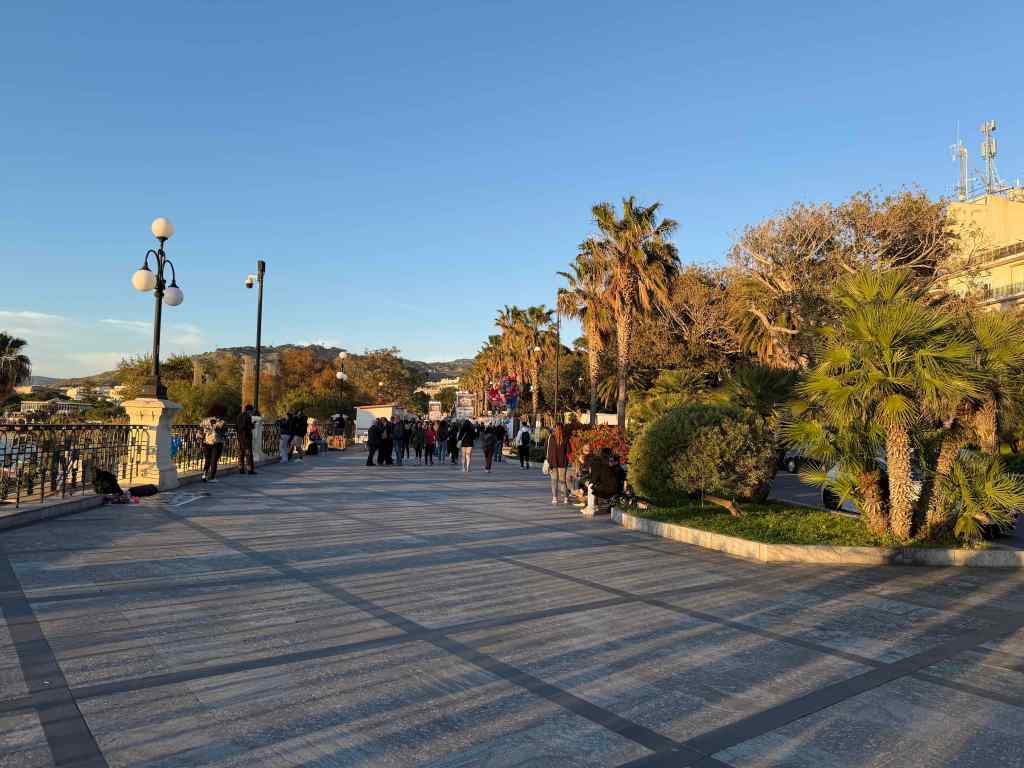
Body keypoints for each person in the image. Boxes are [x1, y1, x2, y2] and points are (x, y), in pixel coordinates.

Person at [589, 447, 619, 515]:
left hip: (607, 489)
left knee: (591, 486)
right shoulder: (614, 464)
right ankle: (596, 505)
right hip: (616, 488)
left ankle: (591, 507)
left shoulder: (601, 464)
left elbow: (595, 479)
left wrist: (590, 482)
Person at [200, 407, 227, 482]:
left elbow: (200, 431)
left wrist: (202, 439)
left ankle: (204, 475)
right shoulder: (222, 422)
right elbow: (223, 433)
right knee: (214, 460)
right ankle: (212, 477)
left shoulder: (205, 420)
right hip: (217, 442)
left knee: (207, 459)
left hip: (206, 442)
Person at [546, 424, 570, 504]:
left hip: (553, 462)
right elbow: (568, 451)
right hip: (563, 462)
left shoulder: (551, 438)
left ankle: (554, 498)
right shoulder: (566, 438)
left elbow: (546, 449)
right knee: (563, 481)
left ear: (555, 429)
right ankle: (566, 498)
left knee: (554, 481)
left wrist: (549, 461)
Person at [237, 404, 256, 475]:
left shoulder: (239, 416)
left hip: (240, 437)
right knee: (248, 453)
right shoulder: (248, 416)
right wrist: (252, 425)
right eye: (252, 411)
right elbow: (248, 426)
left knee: (241, 453)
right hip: (247, 437)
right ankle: (250, 469)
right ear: (249, 410)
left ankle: (241, 468)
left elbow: (237, 426)